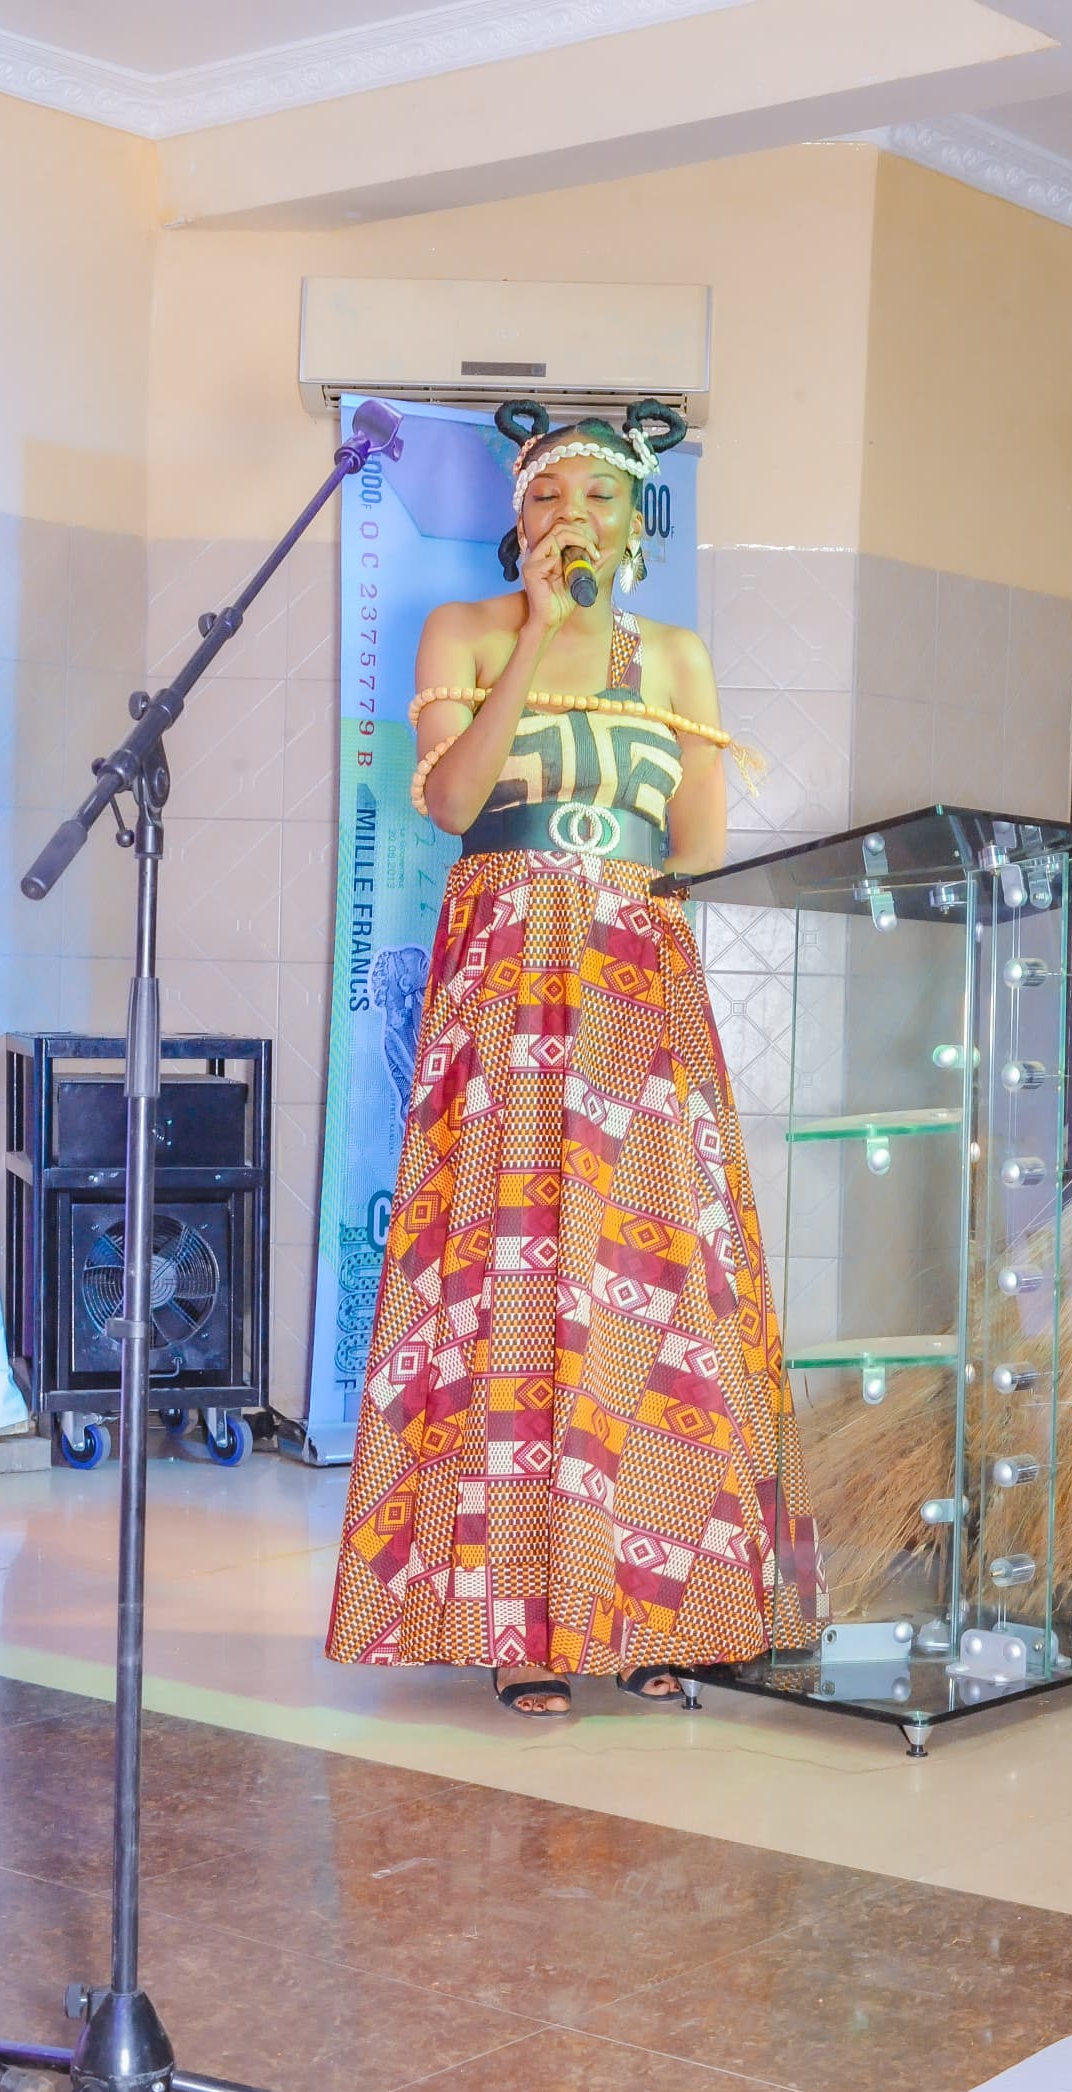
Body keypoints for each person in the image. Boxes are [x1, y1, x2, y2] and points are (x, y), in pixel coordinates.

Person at [325, 399, 825, 1715]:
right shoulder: (466, 632)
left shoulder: (678, 658)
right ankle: (522, 1626)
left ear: (636, 525)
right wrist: (543, 637)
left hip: (637, 971)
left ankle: (654, 1612)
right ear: (518, 521)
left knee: (652, 1281)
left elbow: (698, 843)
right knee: (512, 1276)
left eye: (600, 498)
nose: (575, 518)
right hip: (508, 967)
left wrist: (616, 853)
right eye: (550, 497)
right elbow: (449, 800)